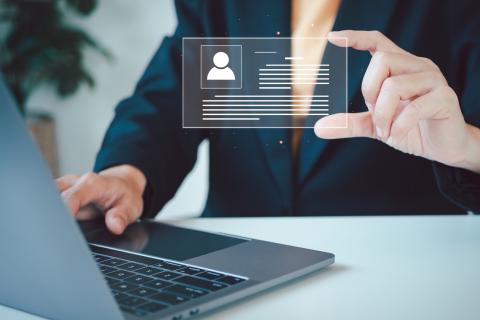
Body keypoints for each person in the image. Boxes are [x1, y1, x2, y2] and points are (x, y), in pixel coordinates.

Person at [56, 0, 480, 235]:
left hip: (400, 263)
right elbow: (170, 99)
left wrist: (465, 146)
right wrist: (128, 174)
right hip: (238, 260)